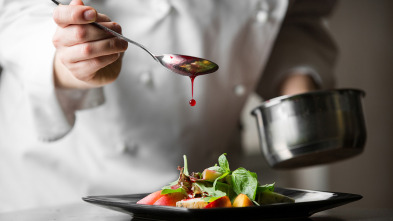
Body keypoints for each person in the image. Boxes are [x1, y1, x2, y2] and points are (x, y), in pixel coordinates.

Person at [0, 0, 337, 212]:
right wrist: (72, 59)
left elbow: (293, 17)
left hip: (212, 185)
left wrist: (298, 94)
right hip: (69, 185)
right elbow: (16, 11)